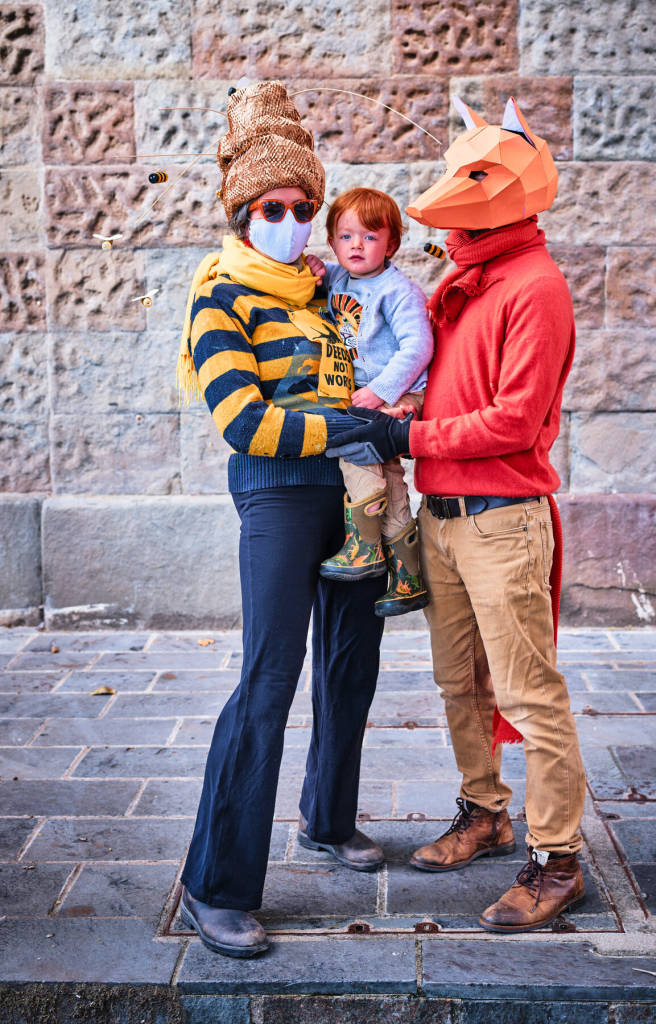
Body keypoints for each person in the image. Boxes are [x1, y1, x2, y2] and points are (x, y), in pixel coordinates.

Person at [326, 95, 587, 932]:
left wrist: (410, 428)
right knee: (458, 684)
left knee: (527, 691)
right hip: (442, 513)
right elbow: (435, 377)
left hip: (502, 516)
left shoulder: (535, 286)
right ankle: (486, 812)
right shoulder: (462, 282)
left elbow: (514, 418)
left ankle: (557, 860)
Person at [176, 81, 386, 959]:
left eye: (305, 205)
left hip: (349, 494)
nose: (294, 220)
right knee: (269, 679)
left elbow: (366, 365)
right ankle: (215, 884)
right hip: (273, 491)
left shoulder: (321, 294)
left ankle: (327, 821)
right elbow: (245, 420)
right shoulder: (221, 298)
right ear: (241, 211)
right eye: (275, 206)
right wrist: (353, 426)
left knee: (350, 665)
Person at [306, 187, 433, 617]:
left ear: (391, 244)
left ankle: (364, 550)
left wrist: (383, 392)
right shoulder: (339, 278)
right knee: (392, 478)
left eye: (369, 237)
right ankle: (408, 578)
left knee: (353, 449)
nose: (356, 246)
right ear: (332, 242)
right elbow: (319, 275)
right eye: (345, 237)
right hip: (375, 394)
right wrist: (312, 267)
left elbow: (418, 347)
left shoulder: (398, 291)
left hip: (399, 391)